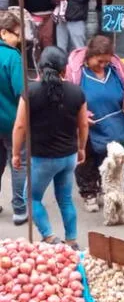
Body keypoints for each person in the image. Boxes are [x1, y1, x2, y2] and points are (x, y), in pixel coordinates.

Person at [12, 46, 88, 249]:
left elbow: (20, 126)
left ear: (39, 68)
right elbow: (83, 125)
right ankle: (71, 240)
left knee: (31, 197)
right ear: (64, 70)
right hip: (68, 156)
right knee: (65, 199)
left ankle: (49, 237)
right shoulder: (76, 92)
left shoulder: (31, 92)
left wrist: (15, 154)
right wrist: (81, 148)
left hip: (42, 159)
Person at [66, 35, 124, 212]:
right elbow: (66, 94)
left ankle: (107, 190)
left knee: (108, 160)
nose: (104, 65)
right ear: (90, 56)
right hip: (87, 124)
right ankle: (88, 192)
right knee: (86, 159)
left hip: (113, 121)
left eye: (106, 61)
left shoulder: (116, 66)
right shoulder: (75, 71)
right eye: (100, 61)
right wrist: (80, 115)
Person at [0, 11, 27, 225]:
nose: (18, 39)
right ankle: (19, 209)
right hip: (11, 122)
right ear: (3, 32)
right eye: (16, 34)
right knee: (17, 161)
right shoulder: (12, 56)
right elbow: (21, 93)